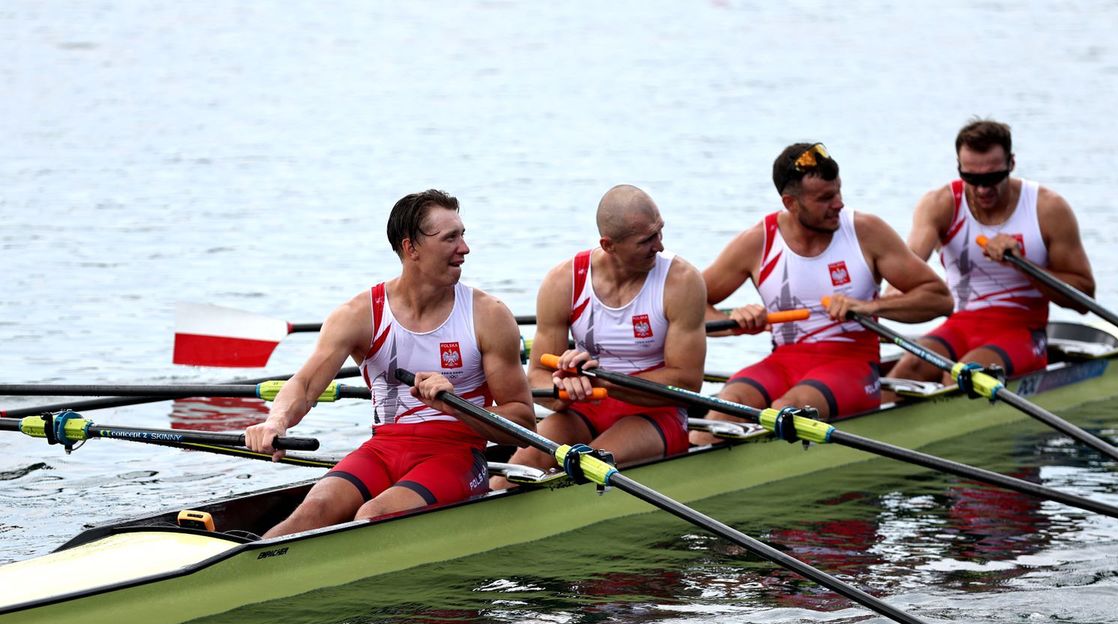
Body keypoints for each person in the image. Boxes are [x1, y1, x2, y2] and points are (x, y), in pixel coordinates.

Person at [246, 189, 535, 537]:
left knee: (373, 514)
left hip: (456, 455)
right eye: (450, 238)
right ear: (411, 247)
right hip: (383, 449)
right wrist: (275, 422)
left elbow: (523, 422)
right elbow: (306, 385)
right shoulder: (359, 314)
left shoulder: (487, 316)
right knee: (313, 511)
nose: (465, 248)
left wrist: (457, 407)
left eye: (463, 235)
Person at [690, 142, 952, 445]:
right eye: (826, 198)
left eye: (839, 192)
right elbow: (690, 310)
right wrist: (735, 323)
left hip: (852, 366)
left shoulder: (865, 232)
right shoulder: (757, 242)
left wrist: (868, 307)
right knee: (724, 410)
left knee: (787, 408)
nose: (838, 204)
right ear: (791, 203)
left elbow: (939, 298)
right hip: (783, 362)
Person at [492, 185, 707, 488]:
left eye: (660, 232)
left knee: (588, 465)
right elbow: (537, 377)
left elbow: (686, 382)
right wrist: (563, 386)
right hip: (586, 410)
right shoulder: (563, 281)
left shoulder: (681, 281)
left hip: (657, 414)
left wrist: (602, 380)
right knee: (517, 470)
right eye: (647, 240)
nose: (659, 246)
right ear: (608, 245)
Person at [887, 119, 1095, 388]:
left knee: (959, 376)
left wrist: (1022, 264)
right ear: (959, 168)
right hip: (960, 325)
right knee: (908, 369)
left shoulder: (1047, 208)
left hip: (1022, 331)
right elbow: (906, 275)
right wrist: (872, 305)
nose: (983, 189)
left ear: (1012, 163)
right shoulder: (939, 204)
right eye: (972, 179)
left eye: (993, 178)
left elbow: (1084, 296)